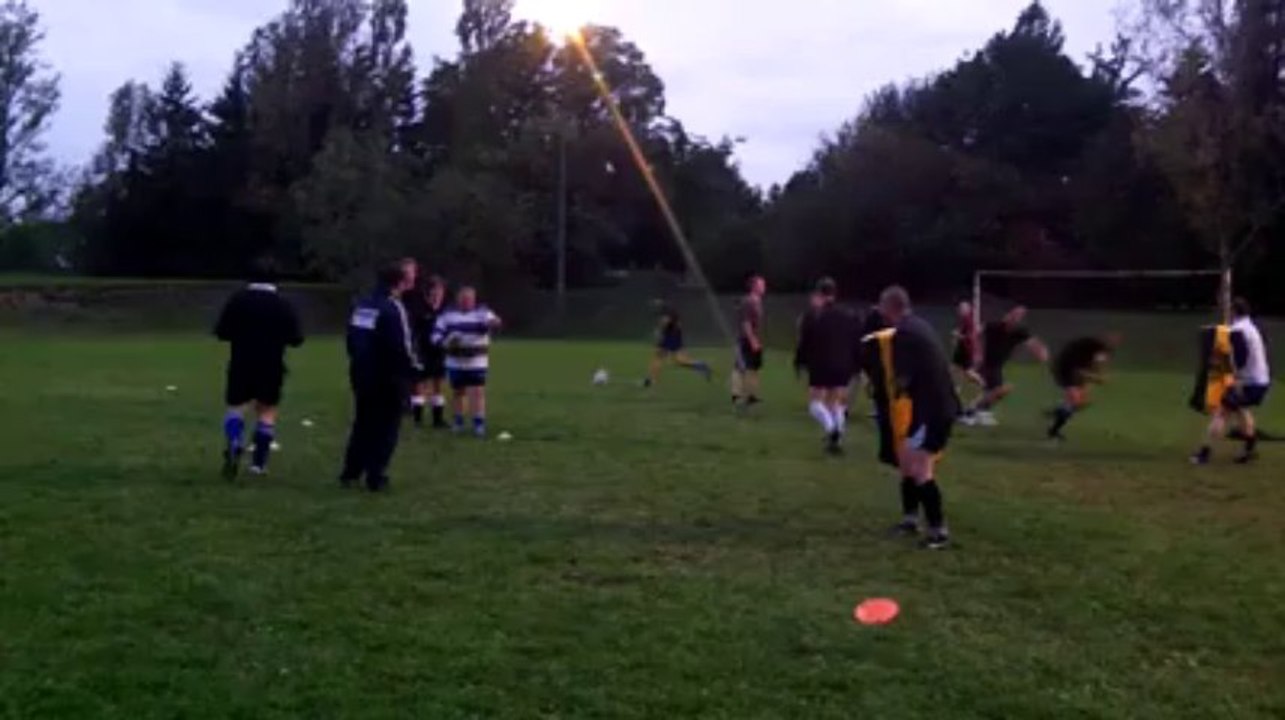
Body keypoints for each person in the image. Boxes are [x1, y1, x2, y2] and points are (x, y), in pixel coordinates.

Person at [862, 286, 961, 550]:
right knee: (906, 460)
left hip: (934, 410)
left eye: (881, 307)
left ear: (889, 308)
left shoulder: (904, 334)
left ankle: (939, 531)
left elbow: (902, 380)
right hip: (930, 407)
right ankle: (910, 519)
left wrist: (881, 388)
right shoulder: (918, 325)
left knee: (920, 469)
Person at [214, 260, 304, 479]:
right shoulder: (282, 304)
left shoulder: (238, 300)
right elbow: (297, 339)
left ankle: (235, 441)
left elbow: (221, 332)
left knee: (236, 407)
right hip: (271, 364)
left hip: (241, 362)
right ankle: (258, 464)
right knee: (266, 411)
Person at [341, 261, 422, 492]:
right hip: (389, 377)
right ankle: (376, 475)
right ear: (398, 283)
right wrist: (416, 370)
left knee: (363, 422)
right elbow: (402, 346)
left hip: (361, 373)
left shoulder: (362, 305)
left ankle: (351, 471)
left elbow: (351, 338)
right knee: (387, 427)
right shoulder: (394, 308)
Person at [1191, 299, 1271, 465]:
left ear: (1234, 311)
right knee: (1241, 410)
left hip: (1248, 383)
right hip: (1260, 381)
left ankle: (1204, 454)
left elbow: (1241, 358)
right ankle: (1249, 450)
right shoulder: (1251, 327)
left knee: (1222, 412)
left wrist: (1236, 379)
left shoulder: (1238, 330)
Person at [794, 278, 860, 454]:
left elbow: (805, 342)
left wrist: (799, 362)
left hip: (821, 364)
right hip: (844, 365)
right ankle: (837, 439)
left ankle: (832, 430)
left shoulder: (815, 316)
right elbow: (856, 341)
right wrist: (856, 364)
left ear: (819, 294)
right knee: (836, 403)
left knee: (815, 404)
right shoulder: (849, 315)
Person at [434, 286, 503, 437]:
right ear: (458, 300)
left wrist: (495, 323)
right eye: (463, 300)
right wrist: (447, 343)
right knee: (458, 392)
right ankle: (458, 422)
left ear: (474, 300)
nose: (466, 302)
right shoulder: (447, 315)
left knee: (478, 391)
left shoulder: (482, 312)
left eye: (469, 300)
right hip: (455, 361)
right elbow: (435, 336)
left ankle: (479, 424)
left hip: (477, 361)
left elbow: (494, 322)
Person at [963, 305, 1049, 426]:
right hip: (986, 365)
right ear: (1008, 315)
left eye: (1019, 317)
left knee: (995, 392)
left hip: (997, 366)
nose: (1015, 319)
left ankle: (978, 412)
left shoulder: (1019, 332)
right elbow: (976, 333)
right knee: (999, 390)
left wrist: (1041, 352)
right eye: (1014, 315)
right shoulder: (994, 327)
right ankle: (972, 412)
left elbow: (1033, 343)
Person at [1047, 334, 1121, 441]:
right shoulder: (1086, 351)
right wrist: (1097, 379)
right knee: (1076, 400)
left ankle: (1060, 412)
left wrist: (1098, 376)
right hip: (1065, 370)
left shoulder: (1099, 351)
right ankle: (1054, 428)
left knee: (1081, 402)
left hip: (1076, 370)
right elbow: (1079, 373)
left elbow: (1097, 365)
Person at [405, 273, 450, 428]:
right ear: (428, 292)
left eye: (441, 291)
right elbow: (411, 330)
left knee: (438, 385)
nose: (438, 294)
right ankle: (417, 421)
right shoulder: (418, 308)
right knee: (419, 386)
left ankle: (438, 420)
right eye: (435, 291)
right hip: (421, 352)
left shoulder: (445, 310)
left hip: (439, 353)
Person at [643, 304, 712, 387]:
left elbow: (666, 322)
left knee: (659, 356)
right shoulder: (670, 311)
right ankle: (701, 365)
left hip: (671, 336)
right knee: (678, 361)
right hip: (673, 335)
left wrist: (659, 331)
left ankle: (651, 379)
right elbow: (674, 323)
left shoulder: (667, 311)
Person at [731, 275, 767, 407]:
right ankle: (736, 396)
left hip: (754, 338)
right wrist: (752, 340)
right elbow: (746, 323)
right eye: (761, 284)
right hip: (745, 339)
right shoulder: (748, 301)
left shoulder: (758, 301)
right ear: (754, 287)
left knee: (754, 368)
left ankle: (752, 395)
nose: (764, 287)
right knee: (740, 367)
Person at [951, 301, 984, 392]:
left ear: (967, 309)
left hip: (967, 349)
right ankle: (957, 387)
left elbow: (970, 336)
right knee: (955, 367)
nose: (959, 310)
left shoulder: (969, 320)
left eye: (962, 308)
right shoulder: (965, 319)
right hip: (961, 348)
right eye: (960, 308)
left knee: (968, 372)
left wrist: (957, 335)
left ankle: (982, 383)